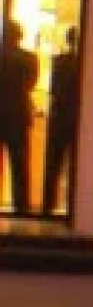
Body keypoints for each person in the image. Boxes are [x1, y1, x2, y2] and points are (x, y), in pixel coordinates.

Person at [0, 22, 37, 215]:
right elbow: (31, 84)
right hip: (18, 115)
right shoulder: (29, 58)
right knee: (20, 165)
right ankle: (21, 206)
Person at [41, 28, 78, 216]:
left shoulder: (58, 62)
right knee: (77, 164)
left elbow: (53, 90)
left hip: (59, 116)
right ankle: (74, 205)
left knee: (53, 163)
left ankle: (48, 205)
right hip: (78, 119)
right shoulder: (85, 64)